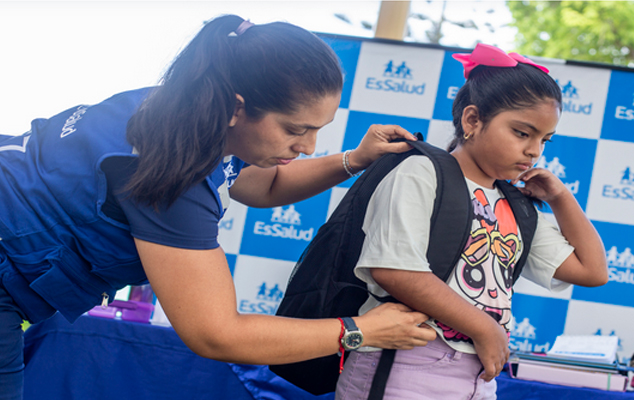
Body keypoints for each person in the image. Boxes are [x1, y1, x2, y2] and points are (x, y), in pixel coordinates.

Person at [0, 15, 437, 400]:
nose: (308, 146)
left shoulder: (184, 113)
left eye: (317, 130)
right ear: (236, 107)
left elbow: (267, 185)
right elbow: (216, 332)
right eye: (295, 129)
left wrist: (354, 160)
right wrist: (361, 331)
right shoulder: (172, 168)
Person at [334, 43, 609, 400]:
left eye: (545, 139)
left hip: (478, 377)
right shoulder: (422, 172)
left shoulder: (516, 204)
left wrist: (561, 199)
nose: (534, 150)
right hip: (403, 363)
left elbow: (592, 272)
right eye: (522, 133)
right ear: (472, 120)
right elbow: (394, 270)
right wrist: (485, 328)